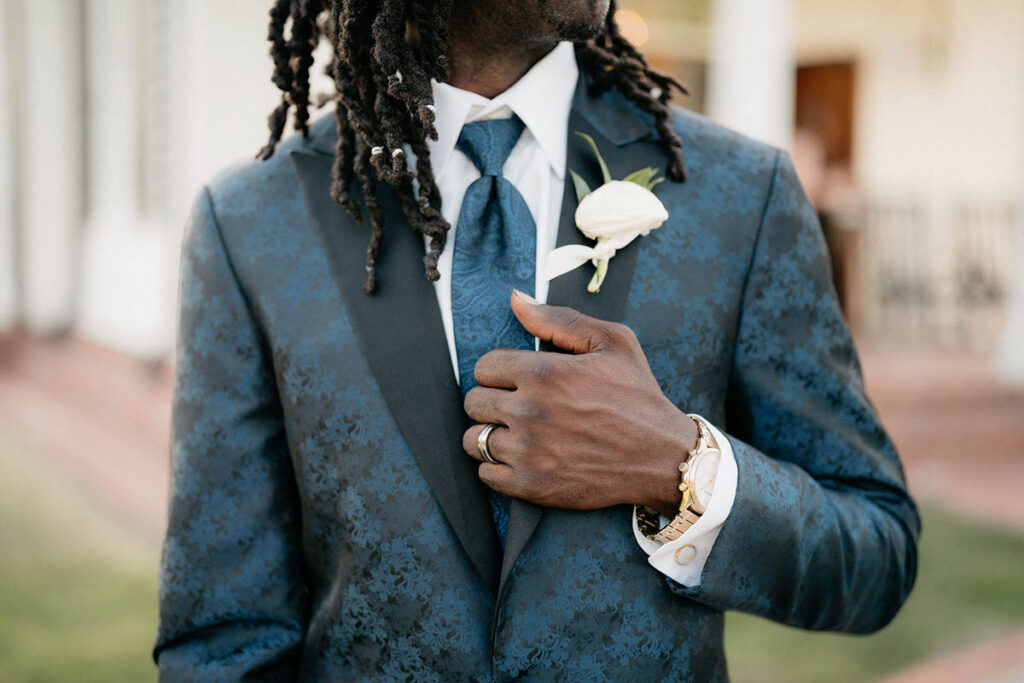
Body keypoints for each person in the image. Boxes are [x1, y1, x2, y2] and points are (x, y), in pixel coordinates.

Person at [154, 0, 920, 680]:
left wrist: (680, 469)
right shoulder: (252, 225)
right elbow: (223, 640)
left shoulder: (736, 195)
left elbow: (876, 553)